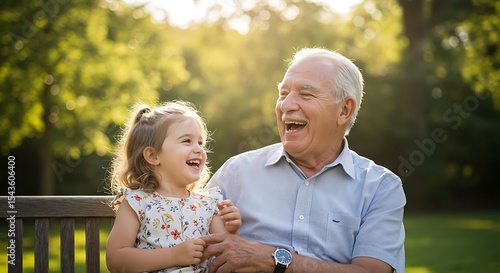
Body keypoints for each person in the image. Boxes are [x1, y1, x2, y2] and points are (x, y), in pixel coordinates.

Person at [201, 48, 406, 273]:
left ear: (344, 111)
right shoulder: (235, 172)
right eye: (283, 93)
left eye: (306, 94)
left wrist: (274, 260)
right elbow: (184, 241)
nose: (286, 105)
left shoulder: (381, 187)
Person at [106, 101, 242, 273]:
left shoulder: (208, 204)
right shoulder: (137, 202)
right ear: (153, 155)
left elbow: (226, 257)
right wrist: (173, 255)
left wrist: (232, 232)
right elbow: (115, 259)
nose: (199, 149)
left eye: (200, 143)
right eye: (187, 141)